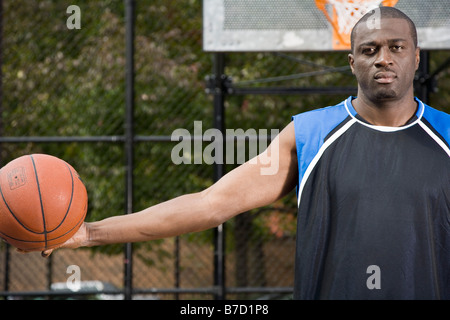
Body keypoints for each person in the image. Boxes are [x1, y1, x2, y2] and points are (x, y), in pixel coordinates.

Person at [42, 7, 450, 299]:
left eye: (397, 47)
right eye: (369, 49)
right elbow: (209, 204)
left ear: (416, 56)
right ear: (351, 61)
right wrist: (90, 232)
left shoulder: (446, 136)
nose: (383, 58)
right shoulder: (309, 134)